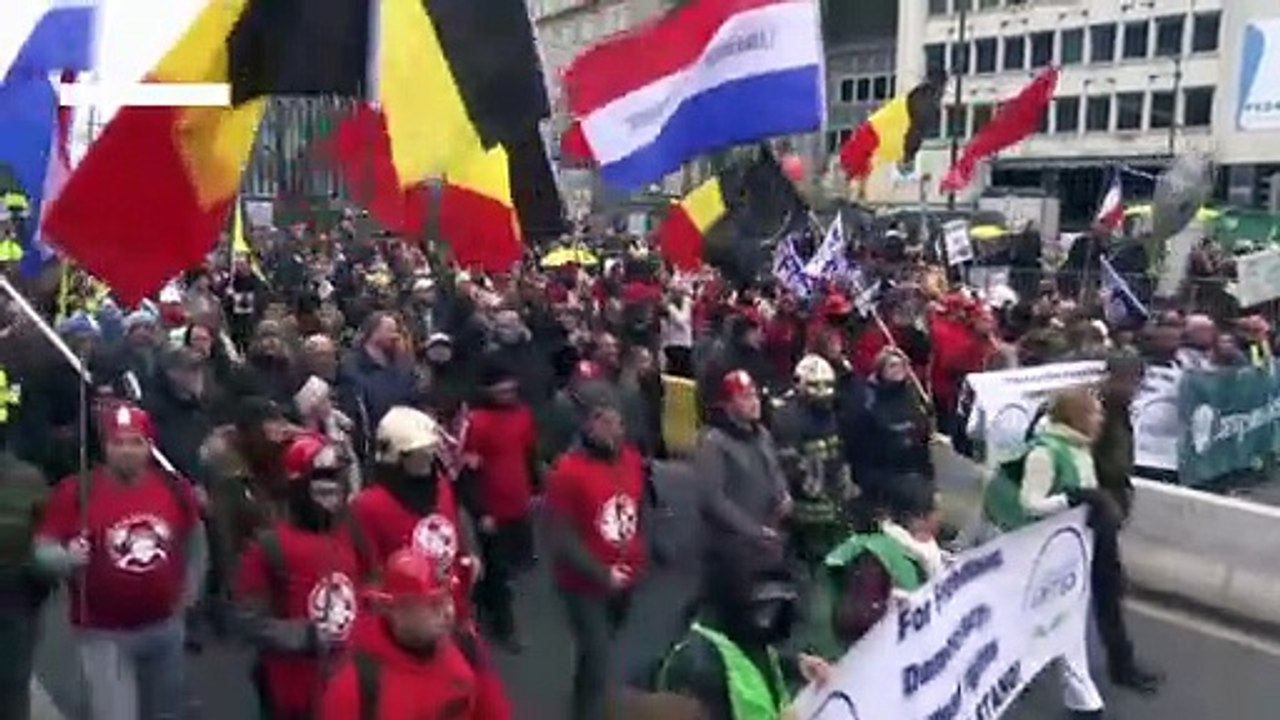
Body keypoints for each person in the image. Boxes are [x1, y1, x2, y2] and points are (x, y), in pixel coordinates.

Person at [34, 404, 203, 720]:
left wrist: (191, 586)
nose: (126, 451)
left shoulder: (173, 487)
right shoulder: (76, 491)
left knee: (166, 712)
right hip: (102, 632)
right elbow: (43, 550)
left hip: (164, 627)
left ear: (148, 446)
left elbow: (195, 538)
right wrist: (65, 557)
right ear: (106, 446)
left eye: (135, 442)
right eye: (118, 442)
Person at [982, 387, 1115, 720]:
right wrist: (1072, 498)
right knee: (1044, 621)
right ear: (1076, 416)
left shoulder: (1081, 449)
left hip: (1069, 553)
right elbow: (1031, 503)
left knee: (1065, 622)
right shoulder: (1045, 454)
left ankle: (1082, 697)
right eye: (1094, 412)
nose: (1100, 419)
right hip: (1040, 556)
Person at [235, 435, 365, 719]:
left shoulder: (352, 533)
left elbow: (367, 590)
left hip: (347, 685)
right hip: (291, 692)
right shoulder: (269, 546)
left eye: (336, 481)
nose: (331, 493)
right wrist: (303, 635)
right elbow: (249, 622)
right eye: (321, 483)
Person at [545, 384, 647, 720]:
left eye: (617, 422)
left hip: (625, 578)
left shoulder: (631, 460)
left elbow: (638, 510)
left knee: (600, 651)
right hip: (583, 584)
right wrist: (602, 574)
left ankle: (586, 693)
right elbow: (562, 537)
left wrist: (641, 554)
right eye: (604, 422)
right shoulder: (567, 472)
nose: (614, 429)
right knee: (598, 650)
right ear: (587, 425)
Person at [319, 549, 512, 720]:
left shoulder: (466, 646)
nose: (448, 612)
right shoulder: (354, 686)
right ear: (395, 609)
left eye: (448, 599)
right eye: (433, 605)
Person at [656, 546, 829, 720]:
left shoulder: (746, 630)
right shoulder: (696, 664)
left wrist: (796, 665)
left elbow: (750, 670)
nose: (771, 615)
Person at [350, 407, 480, 626]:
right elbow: (369, 577)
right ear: (397, 457)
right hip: (411, 624)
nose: (428, 458)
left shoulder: (441, 486)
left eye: (430, 450)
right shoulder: (367, 506)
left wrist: (468, 558)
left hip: (455, 610)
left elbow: (455, 534)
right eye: (419, 452)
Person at [1091, 351, 1163, 694]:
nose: (1134, 388)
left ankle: (1122, 664)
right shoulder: (1094, 415)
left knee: (1110, 592)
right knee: (1105, 593)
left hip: (1108, 512)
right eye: (1128, 380)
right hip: (1091, 518)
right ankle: (1122, 665)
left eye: (1136, 381)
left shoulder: (1118, 411)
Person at [462, 363, 539, 651]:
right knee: (498, 571)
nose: (506, 391)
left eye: (509, 385)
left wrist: (534, 489)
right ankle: (504, 628)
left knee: (512, 568)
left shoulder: (523, 415)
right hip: (492, 510)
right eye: (500, 386)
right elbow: (470, 473)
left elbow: (529, 454)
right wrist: (481, 511)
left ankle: (485, 609)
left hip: (518, 504)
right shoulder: (477, 422)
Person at [821, 480, 945, 654]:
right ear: (918, 517)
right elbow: (852, 618)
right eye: (937, 510)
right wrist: (888, 608)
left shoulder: (927, 552)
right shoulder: (878, 555)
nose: (941, 516)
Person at [695, 370, 791, 565]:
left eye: (755, 395)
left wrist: (783, 493)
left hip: (769, 538)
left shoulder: (762, 434)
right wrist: (753, 531)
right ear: (728, 404)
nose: (755, 402)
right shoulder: (713, 441)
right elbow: (714, 500)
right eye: (746, 397)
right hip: (732, 548)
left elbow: (774, 469)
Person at [772, 355, 855, 571]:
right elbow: (789, 466)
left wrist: (843, 485)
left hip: (833, 505)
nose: (822, 391)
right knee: (810, 564)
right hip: (804, 509)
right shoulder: (787, 417)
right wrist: (817, 492)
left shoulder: (831, 413)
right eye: (814, 385)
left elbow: (840, 453)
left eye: (827, 385)